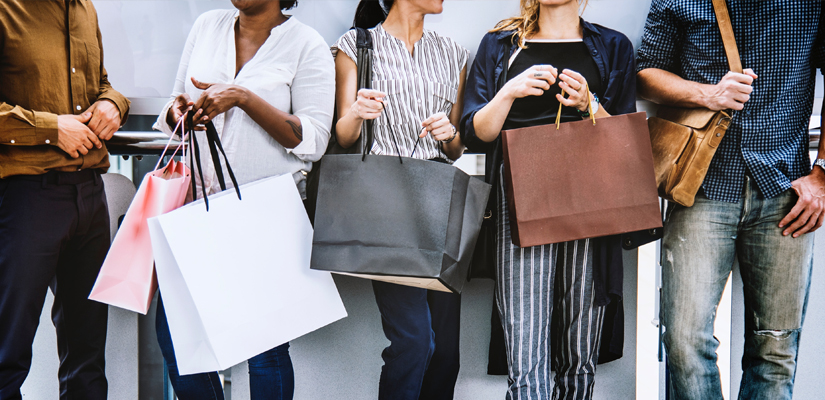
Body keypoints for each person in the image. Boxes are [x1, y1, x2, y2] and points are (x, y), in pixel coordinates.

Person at [636, 1, 823, 399]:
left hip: (785, 191)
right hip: (700, 188)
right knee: (685, 343)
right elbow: (645, 73)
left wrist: (823, 173)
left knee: (775, 350)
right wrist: (710, 94)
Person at [152, 0, 334, 399]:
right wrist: (178, 112)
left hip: (266, 216)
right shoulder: (207, 26)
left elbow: (314, 140)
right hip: (196, 210)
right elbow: (170, 103)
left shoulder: (306, 44)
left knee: (263, 349)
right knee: (176, 335)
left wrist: (243, 97)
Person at [460, 0, 636, 398]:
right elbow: (474, 133)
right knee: (526, 353)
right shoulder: (501, 44)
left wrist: (588, 103)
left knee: (580, 353)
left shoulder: (612, 46)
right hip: (521, 197)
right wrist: (509, 91)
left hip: (591, 197)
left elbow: (627, 141)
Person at [333, 1, 469, 399]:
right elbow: (344, 136)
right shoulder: (357, 45)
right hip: (385, 206)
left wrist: (449, 133)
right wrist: (358, 111)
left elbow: (457, 147)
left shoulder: (454, 53)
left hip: (440, 205)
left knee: (445, 352)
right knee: (414, 342)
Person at [0, 1, 130, 398]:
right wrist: (51, 129)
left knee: (87, 356)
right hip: (25, 198)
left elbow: (100, 84)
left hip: (90, 195)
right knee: (7, 352)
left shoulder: (84, 8)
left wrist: (114, 104)